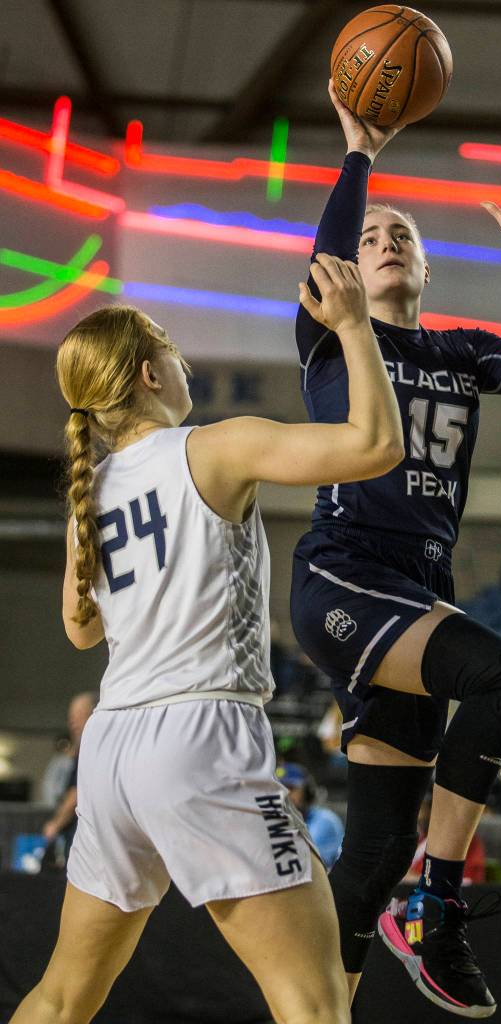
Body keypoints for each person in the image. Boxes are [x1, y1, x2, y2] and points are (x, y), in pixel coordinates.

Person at [10, 255, 403, 1024]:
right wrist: (356, 327)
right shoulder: (214, 447)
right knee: (315, 1001)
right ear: (151, 375)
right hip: (200, 736)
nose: (182, 359)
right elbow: (375, 448)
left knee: (62, 996)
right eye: (170, 347)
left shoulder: (93, 491)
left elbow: (80, 626)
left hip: (114, 746)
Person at [288, 80, 501, 1018]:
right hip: (344, 573)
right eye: (372, 237)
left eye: (401, 236)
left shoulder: (456, 351)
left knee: (370, 854)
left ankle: (325, 1005)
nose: (383, 243)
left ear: (427, 269)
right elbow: (330, 256)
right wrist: (360, 156)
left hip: (418, 589)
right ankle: (440, 901)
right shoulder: (334, 338)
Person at [41, 691, 97, 864]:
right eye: (71, 717)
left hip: (84, 838)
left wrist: (55, 824)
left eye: (79, 715)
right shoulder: (82, 749)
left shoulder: (90, 747)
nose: (73, 722)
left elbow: (76, 793)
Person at [404, 789, 486, 887]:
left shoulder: (464, 840)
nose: (418, 816)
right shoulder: (419, 838)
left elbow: (468, 884)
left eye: (421, 808)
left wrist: (411, 879)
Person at [276, 763, 345, 869]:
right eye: (280, 789)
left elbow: (304, 865)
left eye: (291, 788)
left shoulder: (325, 821)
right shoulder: (279, 822)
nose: (285, 795)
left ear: (308, 791)